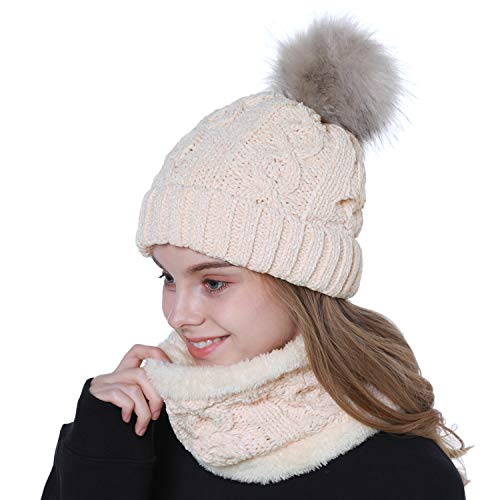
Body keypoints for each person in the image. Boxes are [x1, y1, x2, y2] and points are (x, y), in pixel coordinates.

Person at [41, 12, 472, 499]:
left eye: (213, 282)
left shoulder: (403, 473)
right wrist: (100, 450)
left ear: (300, 280)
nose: (180, 315)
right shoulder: (130, 429)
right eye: (168, 278)